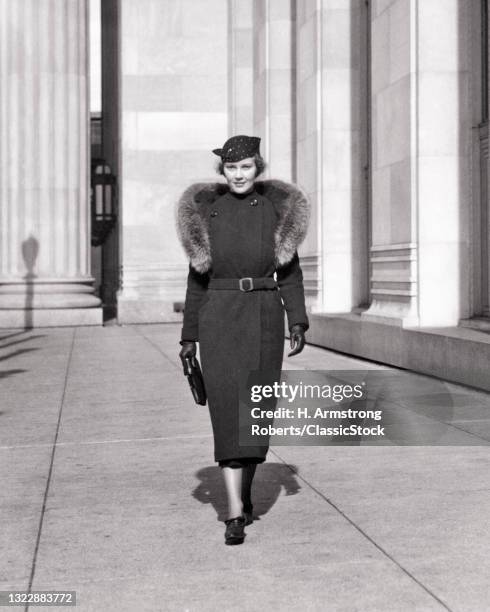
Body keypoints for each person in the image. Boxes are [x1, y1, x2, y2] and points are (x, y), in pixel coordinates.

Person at [176, 135, 309, 545]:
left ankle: (244, 495)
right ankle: (234, 513)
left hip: (265, 315)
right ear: (223, 171)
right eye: (232, 168)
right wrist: (189, 338)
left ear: (258, 168)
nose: (238, 174)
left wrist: (297, 320)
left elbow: (289, 273)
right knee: (227, 411)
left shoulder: (274, 211)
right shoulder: (207, 213)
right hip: (219, 315)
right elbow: (197, 280)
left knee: (254, 409)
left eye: (246, 167)